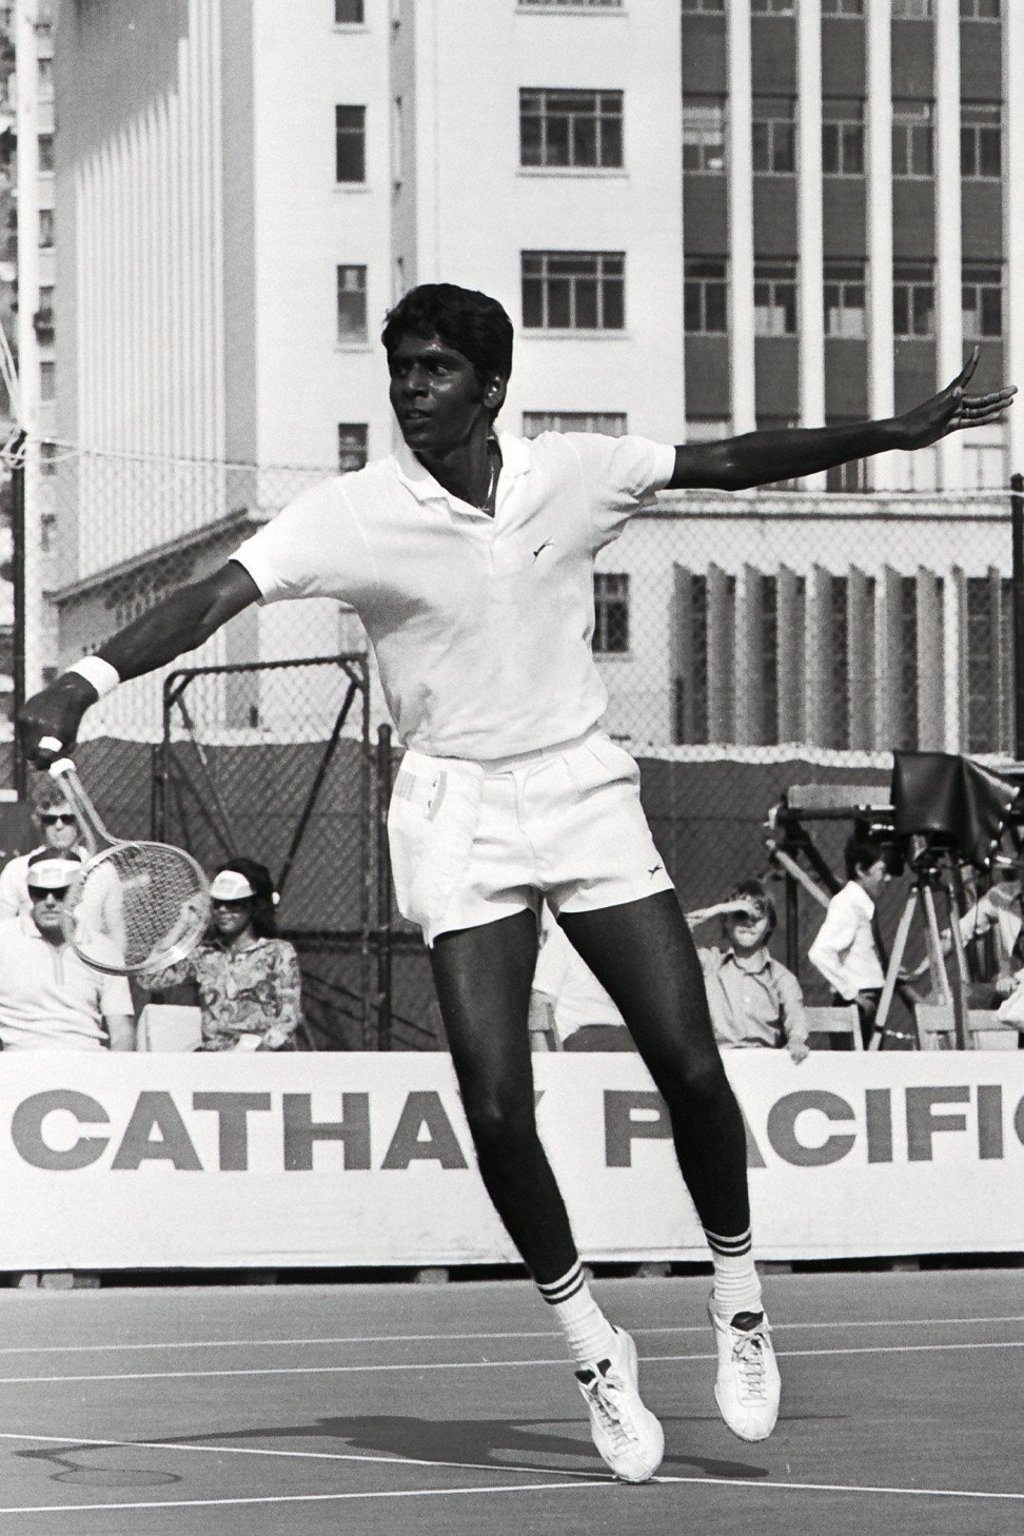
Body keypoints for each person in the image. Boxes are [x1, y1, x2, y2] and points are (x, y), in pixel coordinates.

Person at [17, 282, 1013, 1482]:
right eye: (401, 368)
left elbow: (730, 460)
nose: (411, 388)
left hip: (581, 787)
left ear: (491, 389)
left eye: (436, 369)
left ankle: (739, 1297)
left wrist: (895, 432)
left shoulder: (573, 474)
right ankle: (593, 1348)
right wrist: (82, 678)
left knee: (691, 1066)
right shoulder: (352, 513)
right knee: (494, 1106)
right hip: (455, 810)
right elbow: (211, 598)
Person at [139, 860, 302, 1052]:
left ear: (253, 905)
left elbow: (288, 1017)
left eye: (234, 904)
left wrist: (257, 1051)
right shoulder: (205, 953)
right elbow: (148, 978)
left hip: (262, 1058)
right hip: (214, 1057)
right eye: (217, 904)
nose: (223, 910)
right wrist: (183, 923)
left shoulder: (278, 952)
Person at [0, 850, 135, 1051]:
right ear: (29, 893)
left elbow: (122, 1032)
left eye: (60, 892)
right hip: (19, 1062)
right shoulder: (4, 939)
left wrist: (114, 1069)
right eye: (39, 892)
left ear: (78, 895)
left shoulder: (104, 949)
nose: (50, 901)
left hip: (89, 1061)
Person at [690, 880, 809, 1062]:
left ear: (770, 924)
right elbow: (668, 939)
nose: (749, 922)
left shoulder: (780, 977)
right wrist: (714, 910)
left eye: (758, 915)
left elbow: (795, 1016)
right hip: (719, 1060)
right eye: (740, 915)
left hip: (765, 1062)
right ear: (725, 920)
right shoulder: (710, 963)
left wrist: (796, 1039)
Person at [0, 782, 121, 938]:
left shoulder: (102, 870)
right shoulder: (17, 869)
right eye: (50, 819)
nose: (58, 826)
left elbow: (116, 933)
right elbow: (2, 929)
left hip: (85, 952)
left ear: (80, 823)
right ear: (41, 823)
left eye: (67, 819)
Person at [807, 835, 892, 1048]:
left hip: (869, 1002)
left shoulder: (862, 904)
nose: (888, 878)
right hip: (857, 1006)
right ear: (861, 870)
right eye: (882, 870)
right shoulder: (847, 903)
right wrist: (852, 994)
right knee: (856, 1067)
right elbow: (819, 952)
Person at [528, 902, 632, 1051]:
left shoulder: (627, 945)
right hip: (580, 1040)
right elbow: (539, 1008)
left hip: (625, 1038)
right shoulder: (563, 941)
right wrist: (545, 1061)